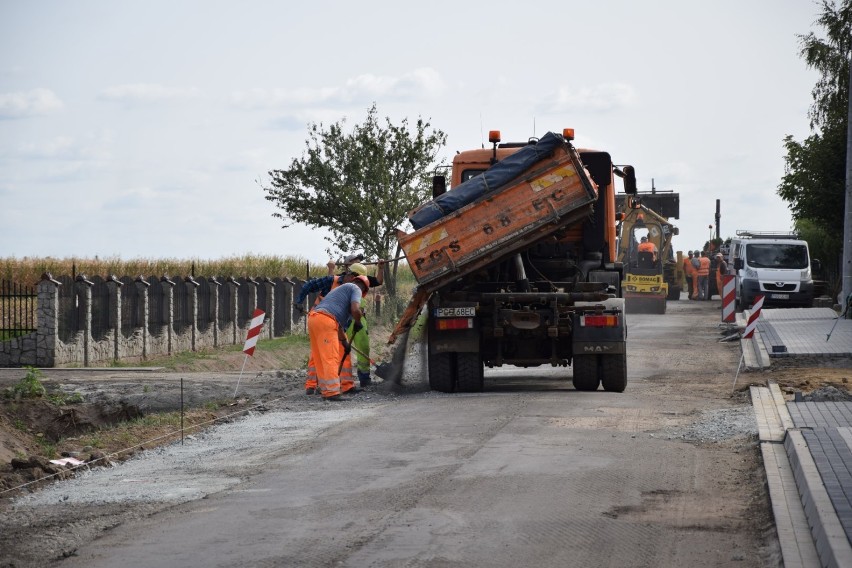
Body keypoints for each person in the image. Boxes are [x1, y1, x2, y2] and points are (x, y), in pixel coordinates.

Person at [296, 259, 384, 394]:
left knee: (340, 351)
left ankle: (344, 385)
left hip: (327, 322)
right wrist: (299, 301)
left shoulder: (350, 289)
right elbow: (309, 286)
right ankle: (319, 387)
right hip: (322, 320)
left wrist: (344, 341)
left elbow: (341, 322)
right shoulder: (344, 285)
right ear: (351, 276)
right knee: (326, 356)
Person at [307, 276, 370, 400]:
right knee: (330, 357)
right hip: (326, 320)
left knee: (320, 358)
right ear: (364, 291)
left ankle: (326, 390)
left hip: (314, 319)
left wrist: (344, 342)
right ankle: (332, 393)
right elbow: (355, 310)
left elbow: (339, 324)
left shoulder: (341, 293)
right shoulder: (355, 288)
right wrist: (358, 322)